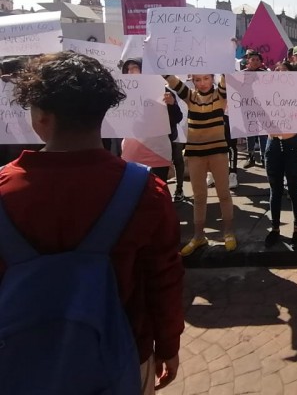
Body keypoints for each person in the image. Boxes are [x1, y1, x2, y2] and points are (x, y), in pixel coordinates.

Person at [0, 52, 184, 392]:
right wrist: (168, 346)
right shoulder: (147, 191)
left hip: (19, 363)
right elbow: (164, 279)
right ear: (104, 113)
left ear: (39, 117)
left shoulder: (5, 190)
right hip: (124, 357)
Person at [165, 73, 237, 255]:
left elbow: (225, 79)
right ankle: (198, 236)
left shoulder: (220, 95)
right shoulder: (190, 96)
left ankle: (228, 232)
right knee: (199, 196)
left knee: (224, 193)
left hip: (218, 153)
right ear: (193, 81)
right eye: (197, 79)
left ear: (212, 78)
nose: (202, 83)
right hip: (195, 154)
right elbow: (173, 81)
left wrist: (225, 53)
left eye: (206, 78)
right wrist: (157, 62)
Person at [263, 61, 297, 248]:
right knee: (275, 190)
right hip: (273, 144)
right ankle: (275, 228)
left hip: (291, 145)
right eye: (276, 70)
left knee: (295, 189)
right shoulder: (265, 93)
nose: (279, 73)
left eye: (283, 71)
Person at [119, 59, 183, 187]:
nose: (130, 72)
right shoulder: (122, 93)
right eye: (127, 69)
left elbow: (177, 118)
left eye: (134, 68)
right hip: (132, 152)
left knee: (157, 194)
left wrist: (172, 104)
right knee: (133, 193)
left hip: (157, 152)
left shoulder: (162, 91)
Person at [241, 51, 268, 169]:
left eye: (258, 60)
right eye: (253, 59)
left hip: (263, 108)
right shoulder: (242, 74)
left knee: (263, 133)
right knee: (250, 133)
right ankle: (251, 157)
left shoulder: (265, 74)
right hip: (247, 107)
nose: (256, 62)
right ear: (248, 61)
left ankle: (264, 157)